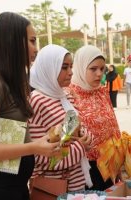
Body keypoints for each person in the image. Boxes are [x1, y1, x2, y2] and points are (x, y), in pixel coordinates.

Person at [0, 12, 59, 200]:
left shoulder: (7, 81)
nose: (35, 49)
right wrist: (33, 148)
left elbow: (7, 138)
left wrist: (41, 142)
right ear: (12, 41)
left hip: (12, 188)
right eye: (32, 41)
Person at [28, 44, 93, 192]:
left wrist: (86, 138)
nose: (70, 72)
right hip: (52, 189)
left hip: (76, 184)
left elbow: (78, 131)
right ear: (48, 68)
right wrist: (80, 147)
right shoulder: (37, 101)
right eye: (64, 67)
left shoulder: (64, 96)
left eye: (71, 66)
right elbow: (39, 157)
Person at [68, 45, 121, 191]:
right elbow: (67, 136)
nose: (99, 74)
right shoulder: (69, 95)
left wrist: (121, 157)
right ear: (80, 67)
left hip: (110, 164)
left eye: (102, 69)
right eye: (93, 69)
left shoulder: (102, 92)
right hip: (85, 169)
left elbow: (114, 125)